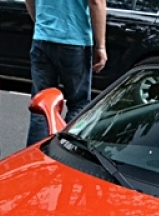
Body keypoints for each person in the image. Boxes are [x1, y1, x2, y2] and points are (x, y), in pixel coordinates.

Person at [24, 0, 108, 146]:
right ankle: (64, 152)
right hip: (74, 40)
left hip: (42, 38)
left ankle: (35, 159)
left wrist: (39, 23)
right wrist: (100, 46)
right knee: (78, 104)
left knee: (42, 105)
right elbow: (96, 2)